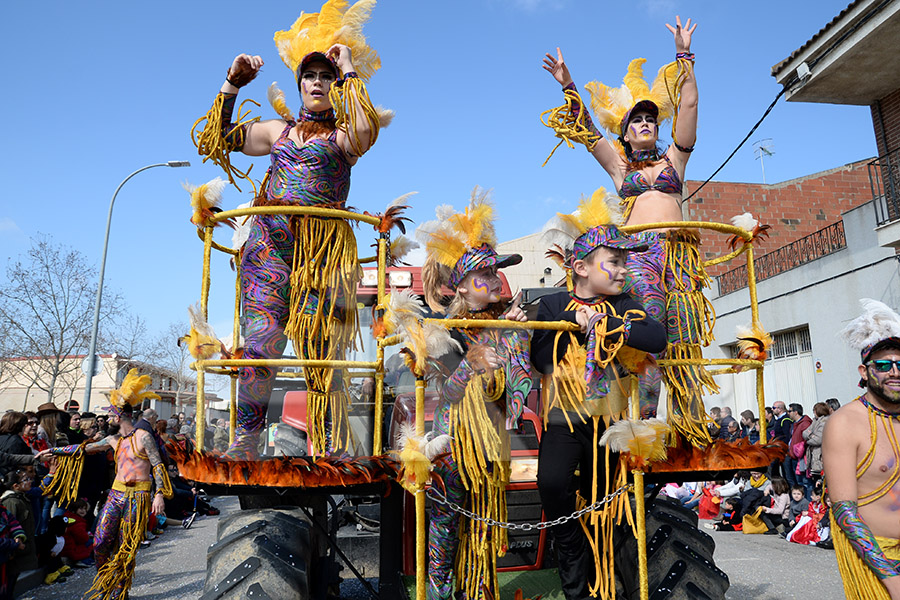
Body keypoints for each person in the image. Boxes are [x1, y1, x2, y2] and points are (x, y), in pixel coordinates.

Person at [192, 0, 384, 460]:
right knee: (260, 343)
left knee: (321, 346)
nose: (317, 83)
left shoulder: (342, 137)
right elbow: (214, 141)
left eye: (326, 77)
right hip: (268, 247)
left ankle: (330, 444)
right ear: (299, 84)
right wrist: (232, 84)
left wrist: (349, 67)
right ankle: (245, 440)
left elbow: (364, 132)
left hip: (322, 252)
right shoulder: (277, 131)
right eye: (310, 76)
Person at [542, 17, 714, 447]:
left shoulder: (675, 160)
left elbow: (689, 107)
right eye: (635, 120)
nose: (644, 123)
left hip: (680, 255)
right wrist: (568, 85)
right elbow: (587, 134)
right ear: (625, 131)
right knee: (647, 333)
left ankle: (694, 429)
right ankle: (643, 426)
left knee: (685, 333)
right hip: (640, 254)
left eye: (650, 118)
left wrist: (684, 56)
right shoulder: (620, 166)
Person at [532, 193, 666, 600]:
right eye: (615, 261)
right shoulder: (552, 303)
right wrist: (571, 322)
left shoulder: (624, 304)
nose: (624, 269)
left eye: (626, 262)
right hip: (562, 419)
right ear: (581, 268)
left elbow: (656, 337)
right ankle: (571, 556)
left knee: (604, 506)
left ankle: (601, 586)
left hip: (608, 426)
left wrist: (610, 324)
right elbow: (539, 358)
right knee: (551, 484)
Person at [413, 192, 533, 600]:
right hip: (453, 446)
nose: (495, 281)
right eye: (484, 275)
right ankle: (443, 593)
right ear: (460, 286)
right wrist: (472, 363)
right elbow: (445, 392)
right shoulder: (442, 332)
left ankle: (479, 593)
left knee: (483, 527)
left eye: (496, 273)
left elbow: (520, 384)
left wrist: (514, 335)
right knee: (446, 527)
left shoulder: (505, 325)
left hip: (491, 447)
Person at [41, 369, 172, 599]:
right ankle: (106, 581)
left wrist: (159, 493)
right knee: (100, 542)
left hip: (138, 497)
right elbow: (83, 448)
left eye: (110, 414)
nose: (107, 418)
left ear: (120, 415)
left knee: (125, 548)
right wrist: (53, 450)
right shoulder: (113, 439)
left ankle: (120, 592)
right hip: (116, 495)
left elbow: (158, 465)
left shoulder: (143, 436)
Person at [824, 299, 900, 598]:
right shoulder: (845, 423)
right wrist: (892, 580)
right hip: (879, 565)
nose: (894, 372)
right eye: (883, 365)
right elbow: (844, 510)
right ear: (865, 371)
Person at [1, 470, 37, 575]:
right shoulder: (11, 502)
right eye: (26, 480)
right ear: (16, 486)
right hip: (19, 554)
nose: (30, 482)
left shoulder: (22, 498)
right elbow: (8, 527)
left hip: (27, 553)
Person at [0, 503, 26, 599]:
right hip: (6, 549)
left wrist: (18, 537)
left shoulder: (2, 510)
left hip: (6, 556)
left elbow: (14, 524)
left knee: (10, 578)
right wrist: (14, 544)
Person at [787, 403, 813, 498]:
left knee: (806, 482)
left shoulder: (805, 424)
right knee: (799, 483)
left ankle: (808, 503)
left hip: (802, 458)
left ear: (796, 412)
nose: (788, 413)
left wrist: (800, 449)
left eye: (789, 411)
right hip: (795, 457)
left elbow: (807, 439)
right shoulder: (794, 424)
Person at [803, 402, 831, 487]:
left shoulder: (824, 422)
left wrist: (809, 437)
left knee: (821, 483)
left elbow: (818, 440)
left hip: (820, 456)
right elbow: (804, 433)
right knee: (814, 481)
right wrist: (811, 436)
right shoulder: (815, 421)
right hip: (813, 457)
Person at [61, 499, 94, 567]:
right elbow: (82, 538)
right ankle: (84, 560)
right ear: (74, 509)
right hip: (72, 549)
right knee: (93, 542)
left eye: (85, 509)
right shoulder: (78, 522)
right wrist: (87, 536)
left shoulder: (68, 517)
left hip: (65, 547)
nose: (83, 511)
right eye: (81, 508)